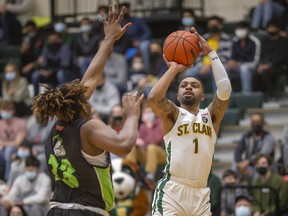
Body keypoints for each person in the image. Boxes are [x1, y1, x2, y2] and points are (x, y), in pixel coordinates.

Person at [31, 4, 144, 215]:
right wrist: (131, 117)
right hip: (84, 211)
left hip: (56, 209)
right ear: (83, 105)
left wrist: (109, 39)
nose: (87, 96)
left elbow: (91, 77)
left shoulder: (57, 128)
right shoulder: (89, 128)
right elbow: (123, 145)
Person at [148, 27, 232, 215]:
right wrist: (174, 69)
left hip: (201, 193)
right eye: (183, 85)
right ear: (177, 94)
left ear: (202, 95)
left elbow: (225, 90)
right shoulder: (173, 114)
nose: (188, 87)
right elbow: (153, 98)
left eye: (194, 86)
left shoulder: (211, 116)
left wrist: (211, 53)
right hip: (173, 191)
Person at [234, 112, 276, 182]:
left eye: (258, 122)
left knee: (257, 173)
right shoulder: (246, 136)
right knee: (234, 166)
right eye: (254, 122)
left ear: (263, 123)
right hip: (248, 165)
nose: (256, 124)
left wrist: (247, 162)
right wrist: (239, 163)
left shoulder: (269, 137)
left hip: (264, 166)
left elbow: (263, 154)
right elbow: (238, 150)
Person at [226, 21, 261, 93]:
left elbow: (255, 60)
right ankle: (228, 93)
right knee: (225, 67)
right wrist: (231, 62)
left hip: (251, 66)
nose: (240, 31)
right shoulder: (234, 41)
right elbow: (232, 57)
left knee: (244, 68)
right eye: (238, 28)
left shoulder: (254, 41)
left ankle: (246, 93)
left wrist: (239, 63)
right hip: (237, 67)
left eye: (242, 28)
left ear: (247, 29)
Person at [0, 100, 27, 181]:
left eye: (7, 110)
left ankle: (7, 179)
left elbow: (17, 143)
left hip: (17, 150)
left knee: (9, 150)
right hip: (2, 151)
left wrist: (3, 143)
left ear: (13, 111)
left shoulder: (21, 122)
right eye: (3, 110)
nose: (5, 112)